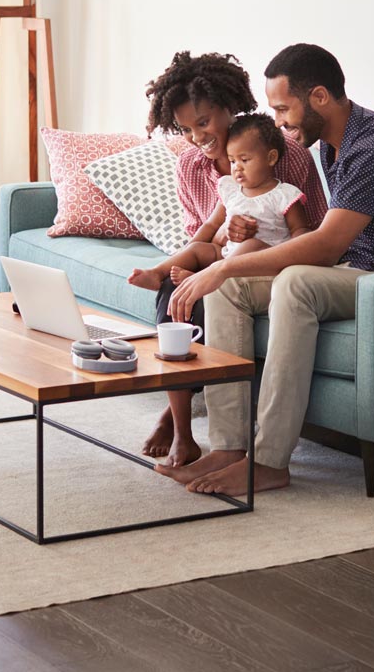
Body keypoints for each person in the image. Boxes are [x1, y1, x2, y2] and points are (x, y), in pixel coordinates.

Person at [160, 43, 374, 495]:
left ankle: (269, 463)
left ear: (319, 97)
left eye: (283, 108)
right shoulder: (333, 147)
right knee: (228, 289)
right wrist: (225, 268)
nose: (278, 122)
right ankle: (229, 447)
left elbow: (324, 246)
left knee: (294, 282)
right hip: (361, 270)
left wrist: (220, 268)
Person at [139, 52, 328, 468]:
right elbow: (201, 233)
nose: (196, 138)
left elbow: (309, 230)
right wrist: (220, 241)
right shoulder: (189, 164)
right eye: (186, 128)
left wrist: (246, 239)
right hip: (219, 255)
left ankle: (177, 417)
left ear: (229, 107)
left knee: (208, 287)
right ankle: (184, 434)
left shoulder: (285, 154)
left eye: (204, 123)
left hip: (271, 259)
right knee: (175, 291)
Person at [129, 114, 311, 291]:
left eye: (245, 160)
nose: (237, 167)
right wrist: (191, 248)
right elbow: (212, 224)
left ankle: (200, 278)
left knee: (252, 245)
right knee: (198, 248)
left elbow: (300, 231)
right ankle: (156, 273)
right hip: (227, 254)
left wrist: (292, 258)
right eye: (232, 161)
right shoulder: (231, 189)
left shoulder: (284, 195)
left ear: (271, 158)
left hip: (265, 259)